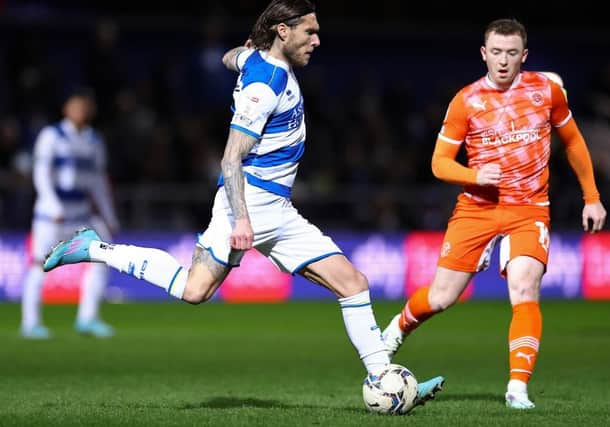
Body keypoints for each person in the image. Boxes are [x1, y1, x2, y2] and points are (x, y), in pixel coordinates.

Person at [43, 0, 444, 410]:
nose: (317, 40)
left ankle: (389, 382)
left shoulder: (257, 60)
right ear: (284, 33)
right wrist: (241, 219)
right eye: (310, 32)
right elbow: (231, 157)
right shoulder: (264, 85)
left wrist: (242, 53)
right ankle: (94, 248)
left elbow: (229, 56)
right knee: (194, 290)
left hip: (278, 209)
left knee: (353, 283)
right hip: (248, 203)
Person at [381, 18, 607, 410]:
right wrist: (474, 174)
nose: (504, 61)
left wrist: (592, 196)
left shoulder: (546, 91)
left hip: (529, 209)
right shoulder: (465, 101)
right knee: (441, 297)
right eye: (497, 52)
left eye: (512, 53)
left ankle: (517, 388)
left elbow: (573, 141)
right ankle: (397, 329)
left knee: (523, 289)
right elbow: (438, 163)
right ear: (484, 54)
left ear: (524, 56)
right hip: (477, 209)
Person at [21, 88, 119, 339]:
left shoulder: (94, 140)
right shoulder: (51, 136)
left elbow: (98, 182)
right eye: (76, 106)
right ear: (66, 109)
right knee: (38, 265)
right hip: (51, 216)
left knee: (100, 259)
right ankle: (30, 323)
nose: (81, 111)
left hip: (81, 215)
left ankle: (88, 318)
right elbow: (41, 174)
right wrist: (51, 204)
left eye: (84, 106)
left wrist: (109, 215)